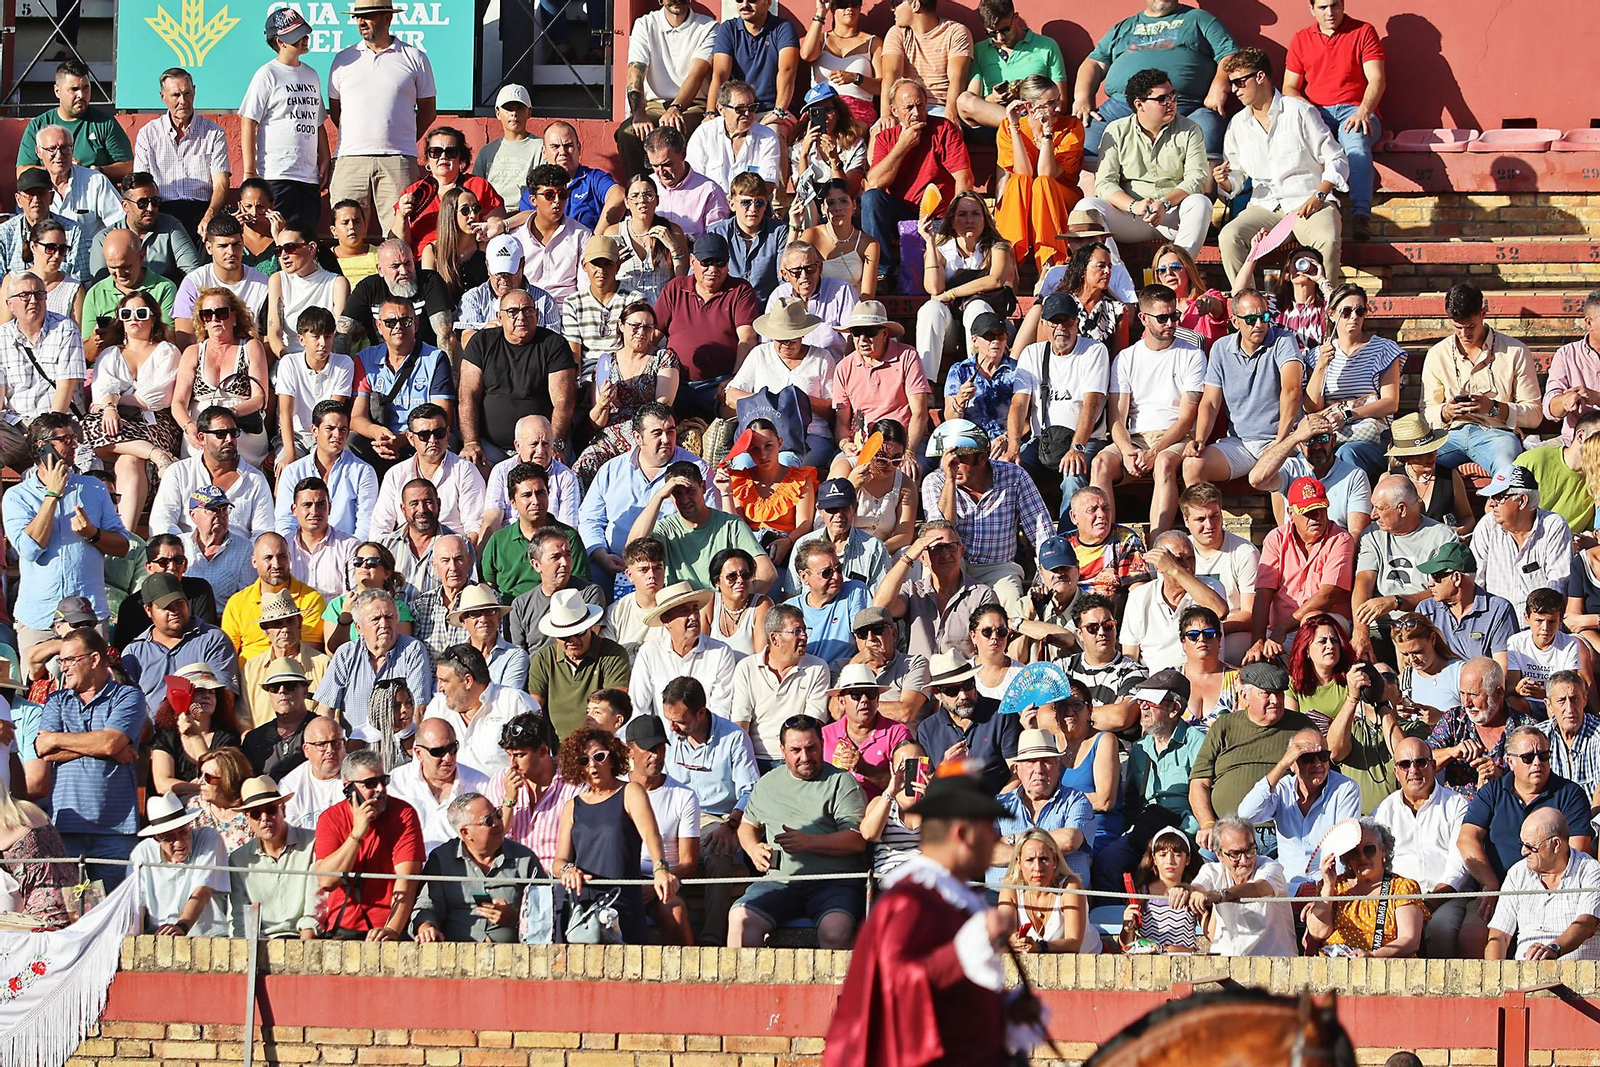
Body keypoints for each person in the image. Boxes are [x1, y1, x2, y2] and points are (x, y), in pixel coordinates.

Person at [826, 770, 1050, 1066]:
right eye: (988, 830)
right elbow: (895, 990)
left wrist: (1004, 1009)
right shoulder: (910, 902)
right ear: (961, 834)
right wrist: (966, 948)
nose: (996, 839)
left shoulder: (953, 900)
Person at [729, 714, 867, 948]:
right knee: (741, 920)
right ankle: (747, 985)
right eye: (796, 750)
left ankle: (836, 986)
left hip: (834, 883)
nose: (805, 757)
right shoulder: (767, 784)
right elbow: (747, 825)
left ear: (822, 745)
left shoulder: (842, 782)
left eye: (811, 748)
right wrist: (753, 849)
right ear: (782, 750)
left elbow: (856, 840)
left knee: (836, 930)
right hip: (779, 882)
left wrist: (809, 843)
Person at [1215, 49, 1349, 287]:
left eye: (1239, 82)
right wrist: (1224, 180)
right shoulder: (1237, 123)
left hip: (1308, 202)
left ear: (1260, 77)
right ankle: (1247, 309)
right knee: (1229, 236)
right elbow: (1235, 180)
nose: (1235, 89)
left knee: (1328, 241)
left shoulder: (1299, 111)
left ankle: (1329, 310)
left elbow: (1336, 158)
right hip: (1264, 207)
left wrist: (1320, 194)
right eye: (1232, 83)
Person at [2, 415, 129, 655]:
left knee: (91, 688)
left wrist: (93, 534)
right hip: (40, 617)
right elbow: (29, 550)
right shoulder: (17, 496)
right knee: (39, 689)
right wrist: (52, 495)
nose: (74, 445)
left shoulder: (93, 488)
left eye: (75, 438)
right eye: (66, 439)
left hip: (88, 615)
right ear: (43, 446)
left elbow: (122, 546)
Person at [34, 629, 144, 888]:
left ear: (94, 659)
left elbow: (109, 742)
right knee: (70, 916)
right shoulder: (56, 701)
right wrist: (105, 745)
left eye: (70, 660)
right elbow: (43, 749)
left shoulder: (128, 696)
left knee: (113, 919)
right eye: (61, 662)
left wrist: (59, 738)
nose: (64, 668)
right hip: (65, 829)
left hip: (116, 832)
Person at [1091, 284, 1205, 533]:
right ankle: (1105, 547)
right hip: (1135, 438)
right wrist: (1127, 449)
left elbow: (1187, 418)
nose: (1171, 323)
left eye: (1174, 316)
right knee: (1099, 463)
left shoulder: (1192, 355)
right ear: (1143, 318)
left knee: (1163, 463)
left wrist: (1153, 452)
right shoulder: (1126, 358)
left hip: (1173, 436)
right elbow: (1117, 418)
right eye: (1162, 318)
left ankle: (1157, 544)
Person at [552, 726, 677, 945]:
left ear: (612, 756)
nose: (592, 765)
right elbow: (559, 860)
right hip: (585, 907)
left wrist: (660, 868)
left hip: (623, 901)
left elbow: (651, 834)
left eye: (599, 756)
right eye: (584, 761)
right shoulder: (572, 806)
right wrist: (567, 870)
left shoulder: (630, 792)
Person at [1077, 70, 1213, 260]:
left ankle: (1180, 270)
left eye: (1173, 96)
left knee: (1200, 202)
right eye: (1162, 99)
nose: (1171, 103)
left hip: (1173, 215)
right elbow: (1104, 184)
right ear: (1139, 104)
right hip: (1131, 216)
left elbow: (1197, 178)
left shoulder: (1189, 129)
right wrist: (1134, 205)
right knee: (1087, 206)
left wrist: (1165, 203)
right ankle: (1117, 280)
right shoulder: (1116, 131)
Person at [1074, 0, 1235, 160]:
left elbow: (1228, 54)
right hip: (1121, 108)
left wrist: (1219, 86)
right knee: (1083, 141)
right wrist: (1082, 98)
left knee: (1207, 133)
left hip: (1184, 107)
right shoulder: (1125, 27)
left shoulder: (1198, 19)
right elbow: (1094, 63)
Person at [326, 0, 436, 233]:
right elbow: (337, 111)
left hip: (398, 159)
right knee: (347, 235)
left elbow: (428, 110)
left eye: (368, 16)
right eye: (357, 16)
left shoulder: (414, 57)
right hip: (349, 159)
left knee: (401, 232)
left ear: (388, 18)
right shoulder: (342, 59)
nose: (361, 22)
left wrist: (401, 137)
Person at [1182, 290, 1305, 492]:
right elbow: (1211, 402)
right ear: (1235, 321)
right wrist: (1200, 439)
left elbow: (1292, 390)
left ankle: (1282, 525)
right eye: (1250, 319)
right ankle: (1207, 522)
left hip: (1278, 439)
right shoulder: (1221, 348)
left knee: (1273, 475)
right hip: (1240, 444)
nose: (1259, 324)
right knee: (1193, 465)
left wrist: (1280, 443)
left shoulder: (1283, 340)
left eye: (1264, 317)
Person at [1284, 0, 1387, 241]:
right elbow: (1289, 87)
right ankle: (1299, 219)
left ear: (1343, 5)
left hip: (1356, 109)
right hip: (1318, 112)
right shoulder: (1301, 38)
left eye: (1335, 5)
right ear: (1312, 10)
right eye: (1323, 7)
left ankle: (1361, 216)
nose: (1330, 12)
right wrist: (1312, 112)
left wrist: (1363, 111)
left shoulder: (1363, 31)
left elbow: (1377, 79)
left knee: (1355, 144)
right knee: (1301, 150)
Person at [860, 79, 973, 292]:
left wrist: (957, 217)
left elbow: (963, 178)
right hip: (901, 211)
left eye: (921, 105)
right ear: (894, 111)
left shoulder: (943, 129)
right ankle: (883, 272)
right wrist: (902, 146)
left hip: (939, 215)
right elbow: (874, 182)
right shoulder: (886, 138)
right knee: (871, 198)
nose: (916, 112)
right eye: (909, 107)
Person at [1189, 660, 1318, 846]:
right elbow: (1199, 781)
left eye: (1279, 693)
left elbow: (1321, 776)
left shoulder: (1302, 727)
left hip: (1285, 832)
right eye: (1266, 693)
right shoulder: (1224, 726)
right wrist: (1208, 824)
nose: (1275, 700)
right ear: (1244, 695)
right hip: (1228, 831)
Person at [1371, 735, 1479, 958]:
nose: (1413, 770)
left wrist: (1431, 899)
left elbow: (1459, 863)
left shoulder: (1456, 803)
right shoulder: (1385, 809)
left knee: (1439, 930)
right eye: (1405, 764)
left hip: (1447, 897)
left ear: (1432, 765)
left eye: (1420, 762)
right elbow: (1380, 863)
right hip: (1399, 899)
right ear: (1396, 771)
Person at [1420, 284, 1541, 477]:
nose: (1464, 334)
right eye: (1457, 327)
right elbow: (1426, 411)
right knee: (1415, 467)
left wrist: (1494, 407)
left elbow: (1534, 415)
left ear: (1483, 313)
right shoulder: (1437, 354)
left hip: (1498, 433)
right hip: (1450, 434)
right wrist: (1446, 412)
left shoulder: (1515, 351)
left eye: (1470, 326)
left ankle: (1498, 508)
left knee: (1508, 471)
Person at [1458, 725, 1592, 894]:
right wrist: (1489, 883)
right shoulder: (1492, 792)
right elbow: (1467, 839)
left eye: (1543, 756)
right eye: (1528, 757)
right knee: (1469, 921)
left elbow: (1578, 850)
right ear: (1510, 762)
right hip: (1497, 894)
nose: (1537, 763)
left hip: (1554, 893)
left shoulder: (1570, 794)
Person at [314, 748, 425, 941]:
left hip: (390, 926)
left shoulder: (404, 814)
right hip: (344, 926)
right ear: (348, 787)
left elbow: (407, 880)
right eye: (370, 784)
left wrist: (392, 930)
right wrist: (357, 833)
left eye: (384, 781)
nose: (380, 789)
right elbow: (327, 881)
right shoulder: (330, 819)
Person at [1350, 475, 1460, 661]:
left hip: (1424, 627)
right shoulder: (1372, 534)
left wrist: (1397, 601)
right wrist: (1360, 631)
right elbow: (1363, 582)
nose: (1373, 515)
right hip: (1382, 628)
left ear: (1401, 509)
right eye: (1373, 506)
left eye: (1380, 508)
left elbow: (1446, 590)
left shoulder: (1442, 537)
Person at [1248, 477, 1357, 663]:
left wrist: (1281, 629)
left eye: (1321, 509)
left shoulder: (1340, 538)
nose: (1318, 517)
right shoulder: (1276, 538)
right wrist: (1257, 642)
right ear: (1291, 513)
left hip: (1326, 626)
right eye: (1309, 512)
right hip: (1279, 630)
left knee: (1313, 622)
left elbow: (1327, 595)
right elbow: (1263, 593)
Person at [238, 9, 328, 230]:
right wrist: (250, 171)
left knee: (306, 237)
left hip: (308, 175)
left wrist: (325, 156)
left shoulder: (312, 75)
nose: (305, 39)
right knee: (279, 234)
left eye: (305, 34)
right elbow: (248, 120)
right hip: (276, 173)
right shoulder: (267, 74)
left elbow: (317, 120)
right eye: (298, 36)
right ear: (280, 41)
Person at [1239, 727, 1363, 888]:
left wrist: (1325, 893)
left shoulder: (1346, 788)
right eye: (1307, 758)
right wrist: (1281, 765)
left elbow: (1343, 844)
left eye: (1323, 756)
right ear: (1292, 763)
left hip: (1330, 887)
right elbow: (1245, 815)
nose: (1318, 763)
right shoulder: (1282, 788)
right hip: (1289, 888)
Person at [1304, 283, 1404, 475]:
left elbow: (1391, 403)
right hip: (1331, 434)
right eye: (1346, 312)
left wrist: (1348, 415)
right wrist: (1321, 365)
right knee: (1304, 457)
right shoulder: (1318, 355)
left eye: (1360, 311)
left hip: (1371, 435)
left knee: (1347, 454)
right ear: (1332, 314)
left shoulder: (1383, 350)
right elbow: (1311, 407)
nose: (1354, 318)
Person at [731, 293, 837, 470]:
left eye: (792, 338)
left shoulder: (822, 358)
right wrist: (767, 401)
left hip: (810, 436)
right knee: (742, 464)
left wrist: (800, 401)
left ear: (802, 335)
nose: (786, 344)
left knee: (785, 462)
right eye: (780, 339)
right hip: (761, 437)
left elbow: (834, 408)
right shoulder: (760, 354)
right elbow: (731, 395)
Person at [828, 302, 933, 472]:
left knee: (909, 471)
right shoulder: (844, 367)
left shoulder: (907, 356)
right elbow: (841, 422)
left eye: (869, 332)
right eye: (856, 333)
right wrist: (845, 444)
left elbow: (919, 413)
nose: (862, 339)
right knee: (839, 471)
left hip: (902, 441)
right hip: (863, 444)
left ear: (885, 334)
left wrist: (909, 451)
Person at [1485, 808, 1600, 961]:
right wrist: (1494, 979)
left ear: (1556, 844)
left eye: (1530, 846)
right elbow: (1499, 936)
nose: (1523, 852)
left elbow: (1586, 925)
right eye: (1522, 843)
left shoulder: (1590, 870)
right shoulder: (1517, 873)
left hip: (1578, 978)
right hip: (1524, 977)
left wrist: (1554, 949)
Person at [618, 0, 716, 178]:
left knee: (677, 131)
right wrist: (638, 113)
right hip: (654, 104)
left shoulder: (708, 26)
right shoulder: (645, 24)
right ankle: (638, 190)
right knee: (628, 133)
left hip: (692, 104)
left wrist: (676, 107)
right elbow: (635, 71)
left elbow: (697, 73)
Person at [1303, 818, 1426, 958]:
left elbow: (1410, 941)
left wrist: (1372, 956)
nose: (1362, 857)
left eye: (1368, 849)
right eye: (1354, 852)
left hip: (1383, 968)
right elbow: (1319, 932)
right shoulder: (1333, 886)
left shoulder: (1402, 887)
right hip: (1334, 967)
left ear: (1383, 851)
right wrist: (1328, 885)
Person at [315, 588, 433, 733]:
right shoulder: (345, 654)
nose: (384, 624)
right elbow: (325, 710)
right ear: (359, 627)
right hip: (355, 748)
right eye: (375, 619)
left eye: (389, 617)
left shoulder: (412, 650)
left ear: (396, 620)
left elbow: (418, 710)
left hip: (399, 745)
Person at [1179, 816, 1297, 957]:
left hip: (1274, 964)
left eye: (1250, 850)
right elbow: (1198, 887)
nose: (1244, 860)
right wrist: (1185, 891)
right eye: (1235, 854)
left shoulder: (1271, 868)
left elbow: (1258, 888)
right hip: (1225, 962)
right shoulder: (1211, 870)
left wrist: (1220, 895)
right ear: (1219, 855)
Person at [730, 603, 830, 768]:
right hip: (755, 759)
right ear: (775, 638)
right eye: (797, 631)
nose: (804, 636)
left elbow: (813, 724)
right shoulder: (747, 668)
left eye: (805, 630)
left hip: (797, 759)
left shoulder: (817, 668)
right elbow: (741, 725)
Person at [1427, 656, 1536, 801]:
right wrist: (1451, 752)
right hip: (1457, 814)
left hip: (1506, 811)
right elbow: (1421, 760)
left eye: (1473, 695)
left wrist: (1502, 777)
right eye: (1462, 693)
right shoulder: (1454, 719)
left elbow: (1537, 779)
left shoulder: (1525, 728)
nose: (1466, 703)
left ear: (1498, 693)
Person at [1250, 410, 1373, 537]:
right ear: (1299, 445)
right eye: (1309, 441)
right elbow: (1256, 479)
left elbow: (1356, 534)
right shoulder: (1290, 469)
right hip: (1296, 549)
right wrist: (1294, 437)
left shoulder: (1354, 475)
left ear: (1333, 440)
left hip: (1336, 548)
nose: (1316, 446)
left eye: (1323, 439)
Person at [1472, 465, 1573, 619]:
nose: (1491, 503)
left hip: (1538, 628)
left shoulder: (1553, 525)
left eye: (1499, 496)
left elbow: (1558, 585)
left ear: (1522, 501)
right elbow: (1475, 582)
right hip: (1495, 626)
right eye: (1491, 497)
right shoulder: (1487, 525)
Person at [228, 774, 321, 938]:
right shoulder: (238, 859)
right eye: (256, 814)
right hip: (260, 943)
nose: (264, 819)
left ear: (283, 810)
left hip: (305, 939)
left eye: (270, 810)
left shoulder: (313, 843)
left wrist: (304, 952)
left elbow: (314, 908)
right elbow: (242, 919)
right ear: (248, 819)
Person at [527, 593, 631, 740]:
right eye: (565, 636)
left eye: (579, 632)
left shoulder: (614, 654)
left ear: (591, 627)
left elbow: (614, 706)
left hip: (601, 745)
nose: (573, 640)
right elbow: (534, 708)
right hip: (559, 751)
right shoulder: (543, 659)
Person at [1121, 533, 1230, 672]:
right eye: (1178, 560)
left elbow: (1220, 611)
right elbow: (1130, 655)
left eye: (1191, 558)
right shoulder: (1140, 596)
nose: (1188, 566)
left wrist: (1175, 569)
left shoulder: (1211, 587)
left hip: (1203, 679)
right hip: (1154, 684)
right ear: (1159, 566)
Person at [385, 718, 490, 854]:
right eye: (438, 752)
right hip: (410, 868)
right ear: (418, 753)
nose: (447, 757)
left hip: (461, 869)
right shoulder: (396, 783)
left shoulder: (480, 784)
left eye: (452, 748)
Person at [16, 60, 133, 182]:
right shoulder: (39, 126)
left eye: (85, 88)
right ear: (57, 91)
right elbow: (22, 171)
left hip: (93, 193)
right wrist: (59, 169)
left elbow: (128, 167)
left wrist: (93, 171)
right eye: (74, 89)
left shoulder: (105, 123)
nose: (81, 95)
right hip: (50, 196)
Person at [131, 793, 230, 936]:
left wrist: (181, 927)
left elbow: (202, 892)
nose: (179, 842)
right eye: (169, 837)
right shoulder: (143, 852)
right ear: (157, 838)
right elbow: (137, 904)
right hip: (159, 937)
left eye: (183, 832)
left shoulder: (208, 838)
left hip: (209, 939)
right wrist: (134, 941)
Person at [724, 419, 817, 567]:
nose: (763, 454)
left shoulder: (800, 479)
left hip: (787, 549)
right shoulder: (739, 481)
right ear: (748, 450)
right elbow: (735, 525)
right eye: (755, 449)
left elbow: (805, 524)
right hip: (748, 548)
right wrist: (725, 492)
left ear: (780, 443)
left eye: (768, 446)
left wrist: (788, 542)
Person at [344, 238, 455, 362]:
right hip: (381, 364)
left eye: (407, 263)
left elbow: (444, 334)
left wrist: (449, 376)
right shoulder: (368, 287)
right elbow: (343, 332)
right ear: (380, 269)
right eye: (395, 266)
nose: (404, 271)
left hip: (427, 361)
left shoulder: (430, 281)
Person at [35, 124, 123, 272]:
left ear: (72, 149)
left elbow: (119, 225)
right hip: (47, 267)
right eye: (51, 149)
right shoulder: (33, 188)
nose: (59, 155)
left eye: (65, 148)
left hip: (92, 266)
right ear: (39, 152)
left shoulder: (95, 181)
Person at [707, 0, 801, 138]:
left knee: (773, 136)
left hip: (771, 110)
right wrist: (710, 113)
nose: (744, 4)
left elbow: (787, 71)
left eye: (752, 0)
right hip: (736, 110)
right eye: (739, 0)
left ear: (768, 3)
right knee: (712, 136)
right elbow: (720, 74)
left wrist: (778, 111)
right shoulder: (728, 28)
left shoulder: (783, 28)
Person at [88, 172, 202, 284]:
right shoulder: (104, 239)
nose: (150, 208)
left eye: (155, 201)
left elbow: (193, 274)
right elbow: (100, 288)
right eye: (142, 203)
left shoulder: (171, 226)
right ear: (125, 206)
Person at [997, 828, 1097, 956]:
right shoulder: (1009, 889)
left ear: (1055, 861)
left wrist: (1039, 947)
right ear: (1018, 863)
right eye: (1030, 860)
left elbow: (1074, 944)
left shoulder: (1070, 887)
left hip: (1089, 966)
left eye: (1044, 859)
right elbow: (1004, 940)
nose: (1037, 868)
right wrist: (1012, 942)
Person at [879, 0, 972, 122]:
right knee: (878, 133)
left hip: (939, 107)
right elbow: (890, 74)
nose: (892, 9)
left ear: (915, 5)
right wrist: (886, 115)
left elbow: (957, 78)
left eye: (896, 3)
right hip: (904, 108)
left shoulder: (955, 32)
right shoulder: (897, 32)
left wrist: (950, 116)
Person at [1386, 413, 1476, 537]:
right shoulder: (1389, 480)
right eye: (1422, 453)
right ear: (1406, 457)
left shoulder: (1450, 477)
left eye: (1433, 449)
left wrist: (1455, 532)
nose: (1432, 456)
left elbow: (1467, 518)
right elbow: (1382, 524)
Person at [800, 0, 883, 130]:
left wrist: (856, 78)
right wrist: (821, 13)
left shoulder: (873, 42)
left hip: (857, 111)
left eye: (854, 3)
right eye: (843, 3)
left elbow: (881, 87)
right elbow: (806, 55)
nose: (849, 8)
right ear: (833, 7)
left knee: (847, 137)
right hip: (823, 108)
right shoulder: (822, 39)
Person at [1506, 593, 1591, 719]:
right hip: (1527, 702)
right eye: (1539, 621)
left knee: (1561, 704)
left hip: (1557, 702)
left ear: (1561, 620)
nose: (1545, 628)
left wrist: (1545, 694)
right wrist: (1519, 689)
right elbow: (1511, 688)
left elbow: (1566, 687)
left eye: (1552, 621)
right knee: (1512, 702)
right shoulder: (1515, 642)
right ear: (1526, 617)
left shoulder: (1569, 644)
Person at [1513, 410, 1598, 534]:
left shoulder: (1597, 478)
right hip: (1521, 542)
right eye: (1597, 437)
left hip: (1569, 549)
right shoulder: (1534, 460)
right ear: (1580, 436)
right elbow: (1493, 508)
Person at [1120, 826, 1202, 950]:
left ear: (1188, 859)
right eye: (1162, 855)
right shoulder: (1141, 893)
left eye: (1177, 855)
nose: (1170, 861)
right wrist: (1127, 926)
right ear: (1154, 859)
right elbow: (1125, 947)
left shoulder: (1195, 892)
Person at [642, 128, 731, 241]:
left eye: (667, 164)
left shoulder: (709, 190)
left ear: (682, 154)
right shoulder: (645, 186)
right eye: (654, 166)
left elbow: (716, 241)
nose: (661, 172)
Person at [1544, 290, 1600, 446]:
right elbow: (1550, 409)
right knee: (1524, 462)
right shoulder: (1566, 354)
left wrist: (1597, 398)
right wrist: (1565, 401)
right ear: (1589, 323)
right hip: (1574, 443)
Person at [1535, 672, 1600, 796]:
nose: (1569, 709)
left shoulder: (1597, 733)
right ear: (1549, 705)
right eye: (1561, 701)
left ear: (1585, 700)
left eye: (1574, 699)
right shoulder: (1539, 737)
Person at [280, 716, 349, 830]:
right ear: (306, 750)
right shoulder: (290, 786)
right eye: (321, 745)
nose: (330, 750)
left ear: (345, 745)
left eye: (336, 743)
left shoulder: (361, 774)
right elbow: (288, 834)